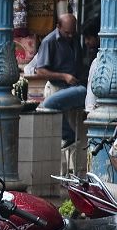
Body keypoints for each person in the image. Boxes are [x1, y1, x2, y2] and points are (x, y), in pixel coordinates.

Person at [34, 14, 86, 148]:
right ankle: (69, 136)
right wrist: (64, 76)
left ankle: (71, 139)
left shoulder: (74, 39)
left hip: (73, 87)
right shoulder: (49, 41)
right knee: (50, 106)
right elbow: (40, 71)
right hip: (57, 87)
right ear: (58, 27)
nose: (70, 36)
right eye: (67, 33)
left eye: (72, 33)